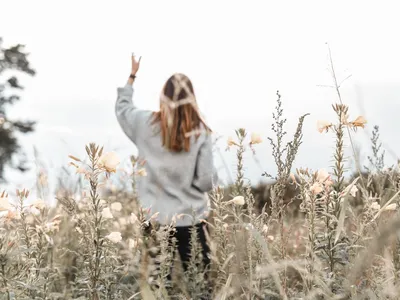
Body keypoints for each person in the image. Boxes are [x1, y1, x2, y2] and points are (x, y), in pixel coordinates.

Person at [115, 54, 217, 279]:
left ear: (163, 96)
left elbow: (123, 109)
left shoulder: (144, 123)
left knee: (158, 285)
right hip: (192, 221)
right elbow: (205, 181)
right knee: (199, 284)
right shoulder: (200, 132)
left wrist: (132, 76)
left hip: (154, 219)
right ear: (192, 98)